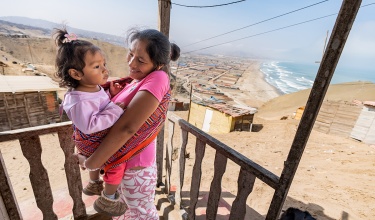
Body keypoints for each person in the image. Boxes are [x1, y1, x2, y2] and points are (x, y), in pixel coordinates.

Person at [76, 28, 180, 219]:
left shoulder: (158, 77)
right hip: (119, 164)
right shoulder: (135, 81)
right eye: (131, 54)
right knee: (123, 215)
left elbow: (127, 127)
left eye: (141, 60)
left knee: (140, 215)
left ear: (159, 64)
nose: (131, 63)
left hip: (135, 167)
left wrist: (93, 162)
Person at [54, 27, 130, 216]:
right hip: (91, 139)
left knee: (101, 157)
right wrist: (115, 108)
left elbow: (98, 105)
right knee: (117, 160)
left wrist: (109, 95)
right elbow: (90, 125)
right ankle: (108, 199)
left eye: (103, 64)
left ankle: (94, 183)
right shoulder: (78, 100)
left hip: (91, 139)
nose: (105, 70)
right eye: (97, 67)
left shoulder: (92, 88)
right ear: (76, 74)